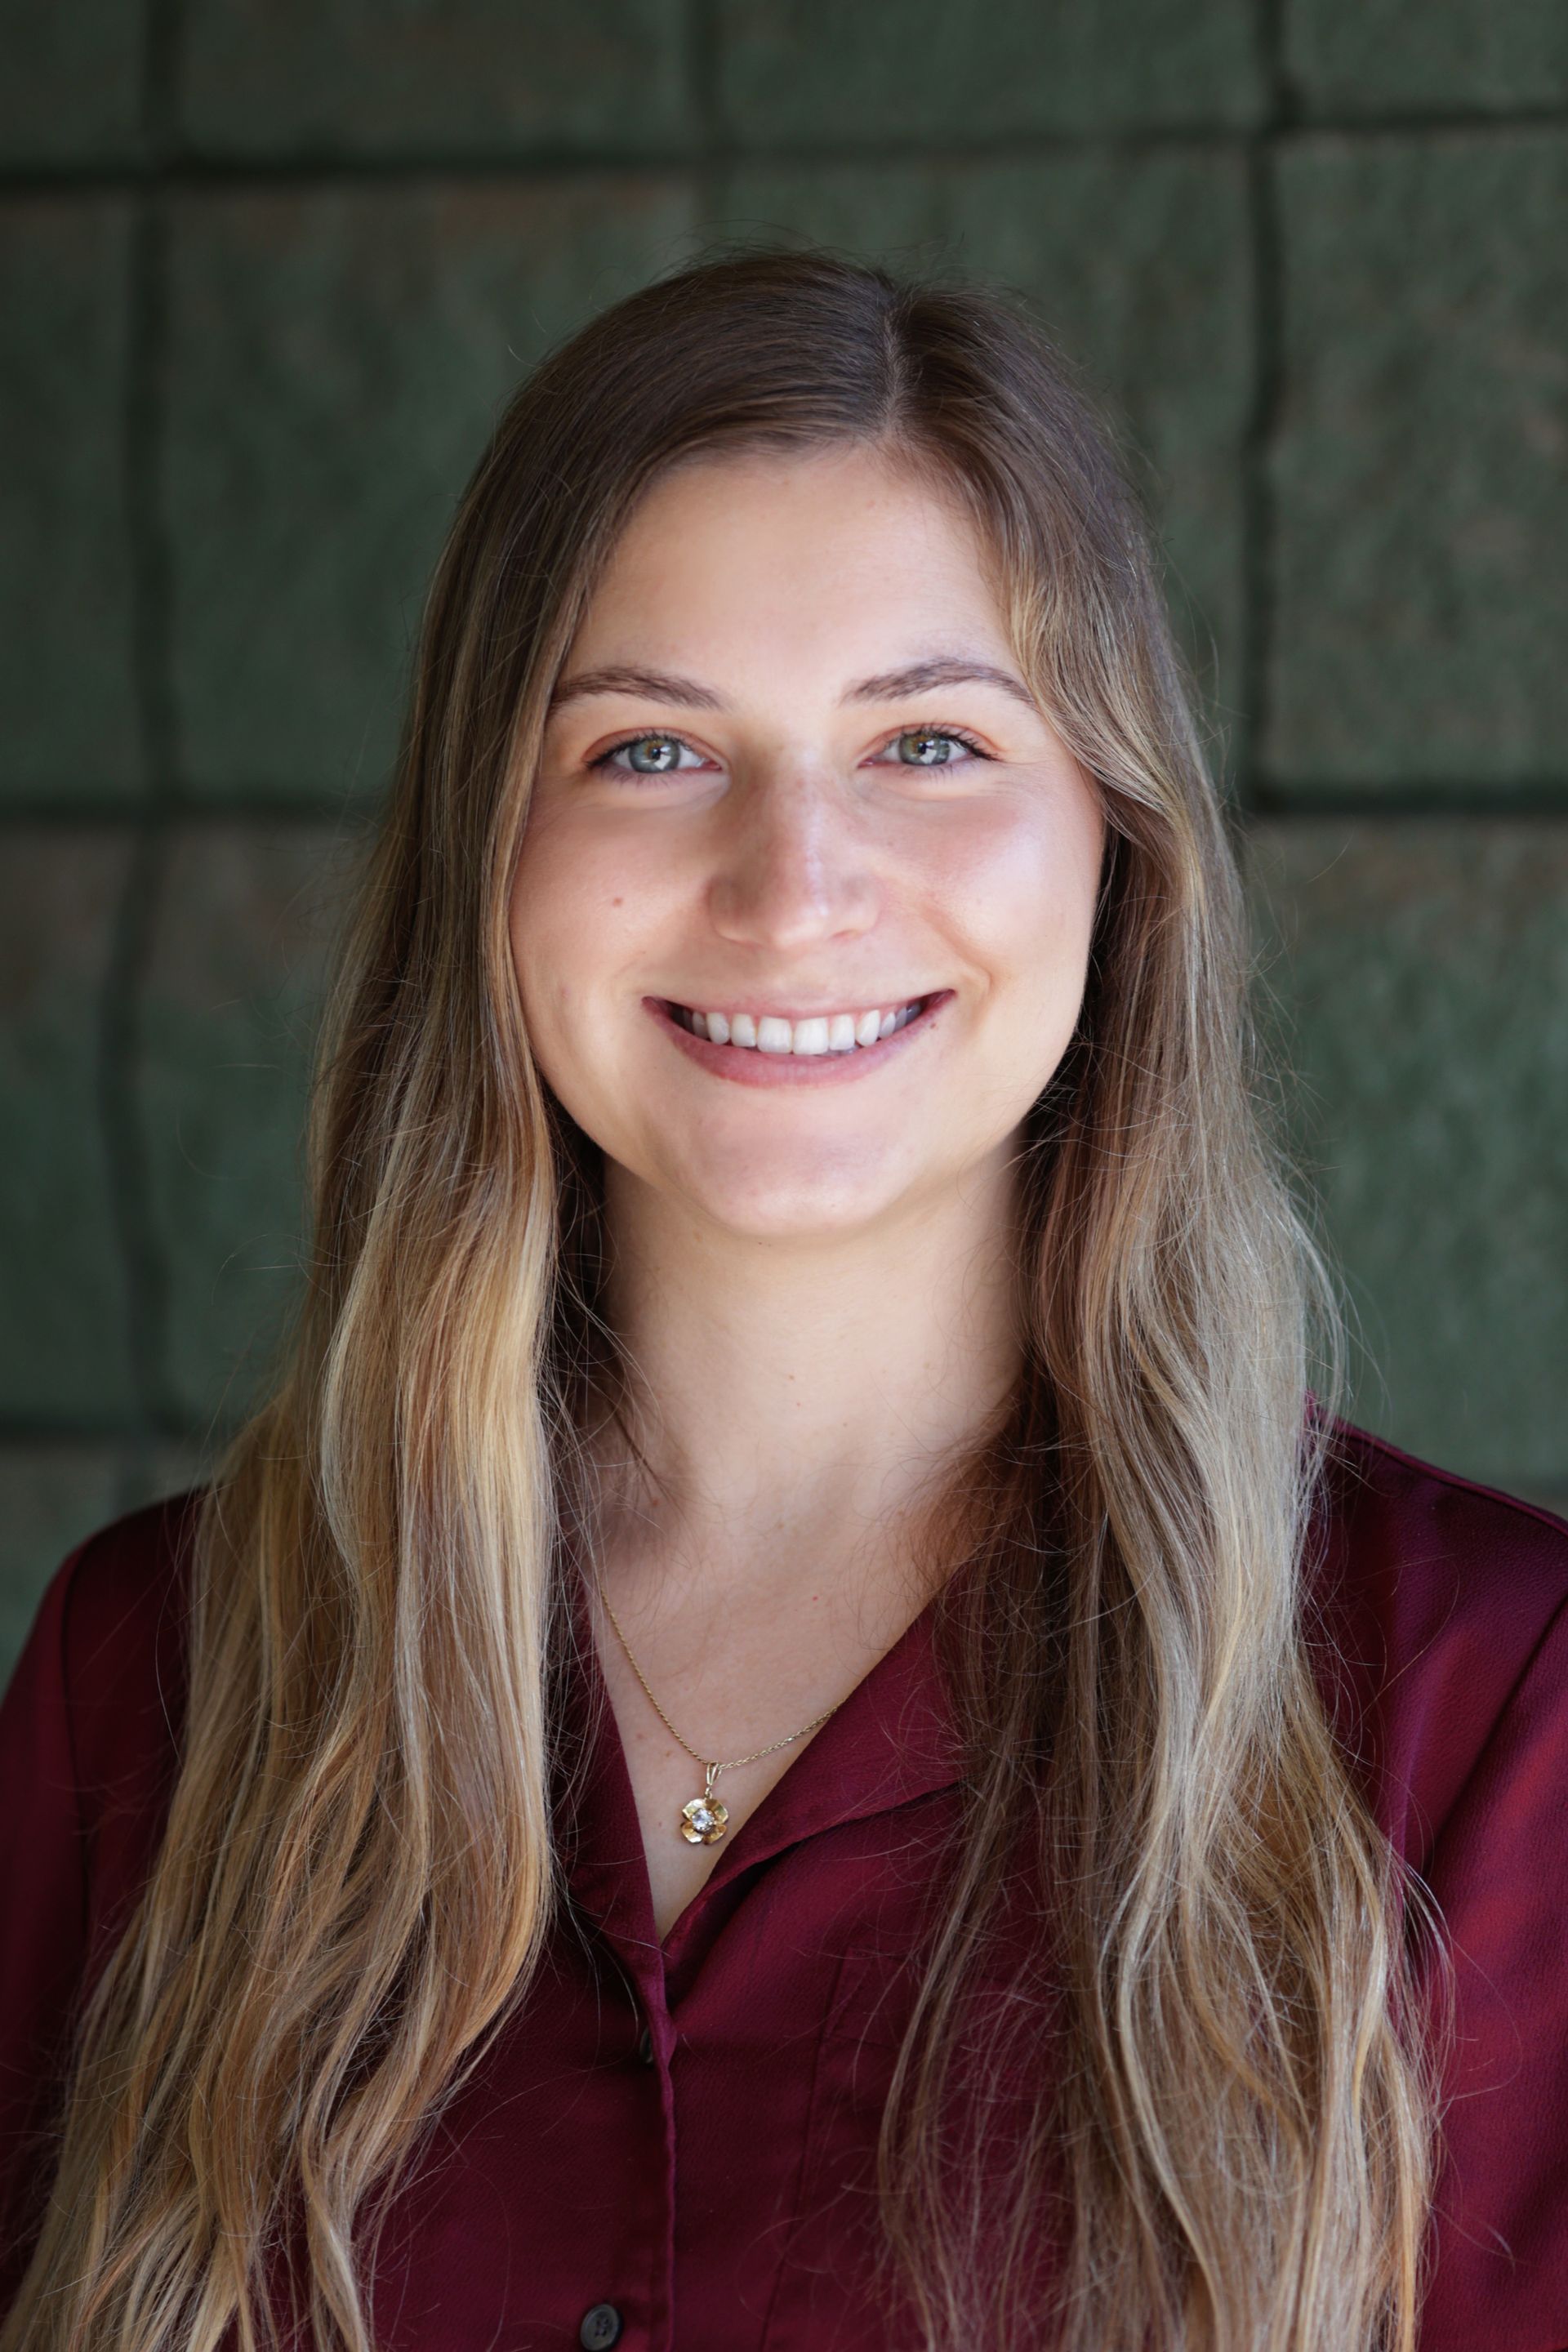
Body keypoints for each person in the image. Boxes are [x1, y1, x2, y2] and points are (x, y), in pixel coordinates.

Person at [1, 247, 1565, 2352]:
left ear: (1114, 842)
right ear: (491, 846)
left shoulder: (1483, 1711)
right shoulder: (156, 1683)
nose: (793, 886)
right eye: (649, 751)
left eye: (926, 741)